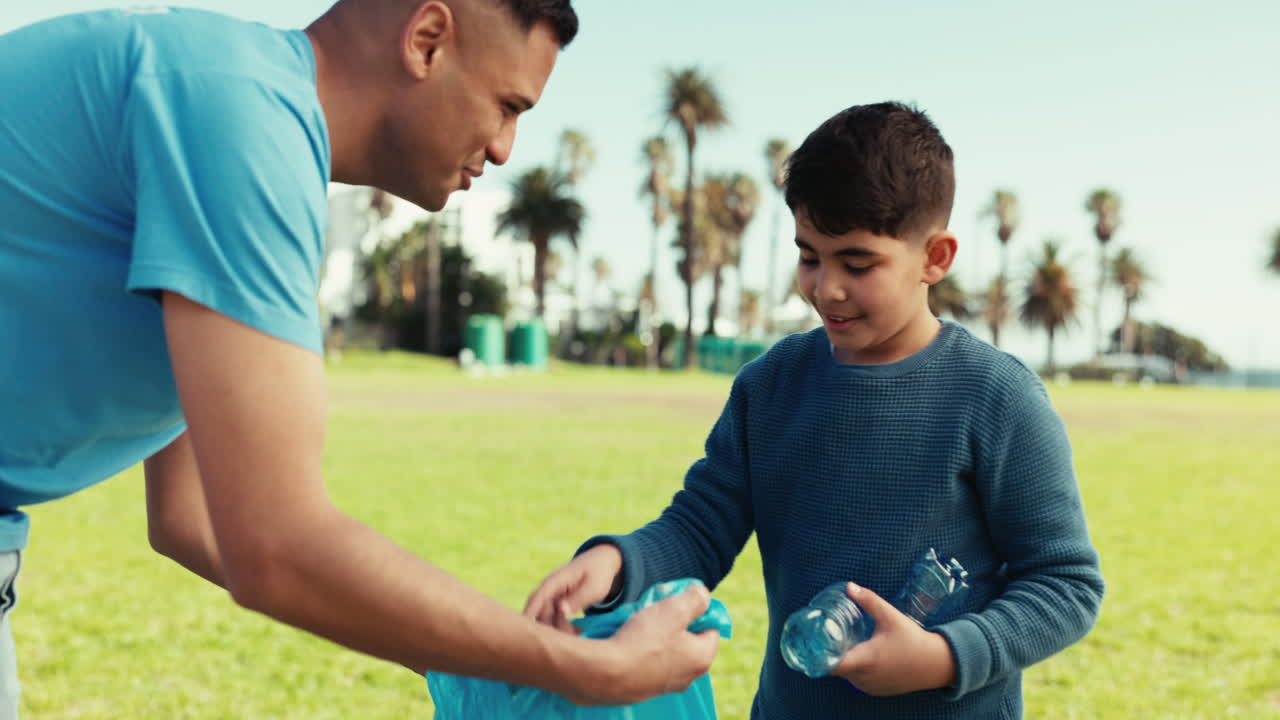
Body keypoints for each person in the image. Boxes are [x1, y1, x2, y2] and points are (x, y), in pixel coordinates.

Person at [0, 1, 718, 716]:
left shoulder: (241, 115)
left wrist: (494, 663)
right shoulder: (236, 116)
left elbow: (192, 519)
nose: (505, 148)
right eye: (507, 106)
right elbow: (273, 545)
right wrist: (588, 670)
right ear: (427, 40)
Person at [525, 101, 1105, 719]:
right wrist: (617, 564)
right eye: (809, 256)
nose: (826, 288)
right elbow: (700, 528)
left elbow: (1065, 584)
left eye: (857, 263)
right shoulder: (770, 386)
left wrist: (944, 656)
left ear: (935, 258)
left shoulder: (997, 397)